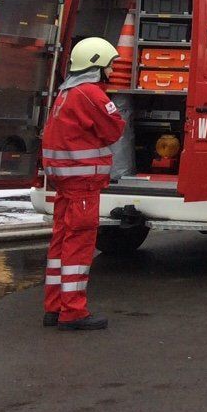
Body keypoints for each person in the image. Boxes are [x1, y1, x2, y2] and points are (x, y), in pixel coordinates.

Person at [41, 37, 127, 330]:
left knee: (60, 243)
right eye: (111, 65)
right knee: (79, 246)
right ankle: (73, 312)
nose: (113, 71)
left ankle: (54, 307)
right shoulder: (91, 94)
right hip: (83, 183)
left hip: (65, 182)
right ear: (97, 64)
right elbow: (114, 129)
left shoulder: (66, 92)